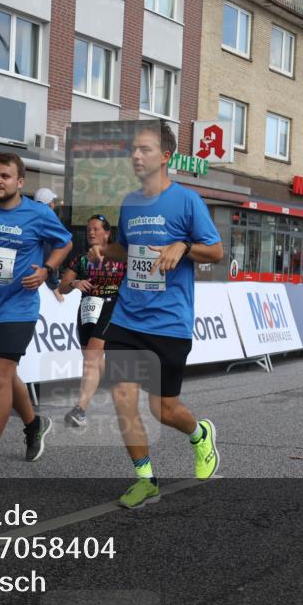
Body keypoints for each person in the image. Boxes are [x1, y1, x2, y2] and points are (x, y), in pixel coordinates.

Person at [88, 123, 224, 509]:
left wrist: (182, 245)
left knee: (162, 409)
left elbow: (215, 252)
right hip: (130, 317)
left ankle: (200, 434)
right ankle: (145, 478)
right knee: (124, 396)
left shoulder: (187, 201)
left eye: (144, 149)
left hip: (169, 322)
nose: (136, 156)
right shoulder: (130, 203)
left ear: (165, 156)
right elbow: (127, 249)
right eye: (133, 150)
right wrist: (104, 250)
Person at [0, 153, 73, 477]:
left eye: (5, 176)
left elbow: (65, 242)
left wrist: (47, 269)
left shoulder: (36, 214)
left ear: (20, 182)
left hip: (20, 307)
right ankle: (35, 425)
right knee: (5, 376)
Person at [58, 214, 126, 427]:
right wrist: (75, 283)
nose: (91, 232)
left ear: (107, 233)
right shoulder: (81, 259)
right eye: (89, 229)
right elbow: (62, 286)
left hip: (111, 306)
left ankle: (80, 410)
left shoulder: (119, 255)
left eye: (96, 229)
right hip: (87, 309)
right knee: (92, 359)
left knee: (92, 358)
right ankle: (120, 385)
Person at [35, 187, 67, 301]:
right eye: (53, 202)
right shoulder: (48, 219)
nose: (54, 205)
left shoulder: (30, 216)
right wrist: (54, 286)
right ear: (50, 204)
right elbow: (48, 254)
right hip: (38, 278)